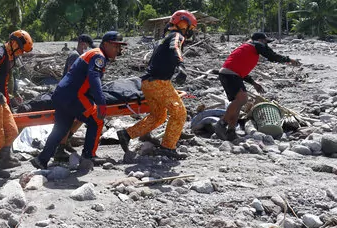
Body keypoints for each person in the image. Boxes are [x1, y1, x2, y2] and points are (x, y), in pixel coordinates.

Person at [31, 31, 127, 169]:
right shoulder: (99, 56)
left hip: (61, 94)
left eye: (120, 47)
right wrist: (101, 103)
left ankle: (42, 159)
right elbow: (94, 78)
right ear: (106, 44)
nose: (119, 50)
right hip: (74, 96)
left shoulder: (94, 53)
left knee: (61, 128)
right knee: (97, 119)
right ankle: (89, 155)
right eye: (116, 46)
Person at [117, 10, 198, 160]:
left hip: (147, 83)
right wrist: (181, 67)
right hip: (159, 83)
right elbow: (175, 48)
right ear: (183, 23)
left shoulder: (164, 38)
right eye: (190, 28)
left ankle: (127, 134)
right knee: (179, 113)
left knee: (159, 116)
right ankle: (168, 147)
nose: (190, 32)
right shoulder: (176, 36)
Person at [214, 32, 301, 141]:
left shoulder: (247, 49)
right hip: (230, 74)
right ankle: (221, 124)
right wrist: (289, 60)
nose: (266, 45)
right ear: (260, 40)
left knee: (239, 103)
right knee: (242, 99)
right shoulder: (256, 45)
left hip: (230, 74)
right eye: (266, 42)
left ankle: (231, 131)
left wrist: (254, 84)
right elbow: (271, 56)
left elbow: (241, 70)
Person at [0, 30, 34, 182]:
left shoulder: (10, 57)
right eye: (21, 49)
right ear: (15, 43)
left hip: (0, 99)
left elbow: (8, 78)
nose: (21, 53)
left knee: (12, 131)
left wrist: (13, 93)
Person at [54, 34, 96, 161]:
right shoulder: (75, 56)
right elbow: (72, 76)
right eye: (87, 45)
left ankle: (67, 141)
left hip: (74, 93)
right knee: (71, 119)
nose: (87, 48)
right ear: (82, 43)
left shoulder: (79, 56)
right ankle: (60, 149)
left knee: (83, 116)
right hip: (69, 94)